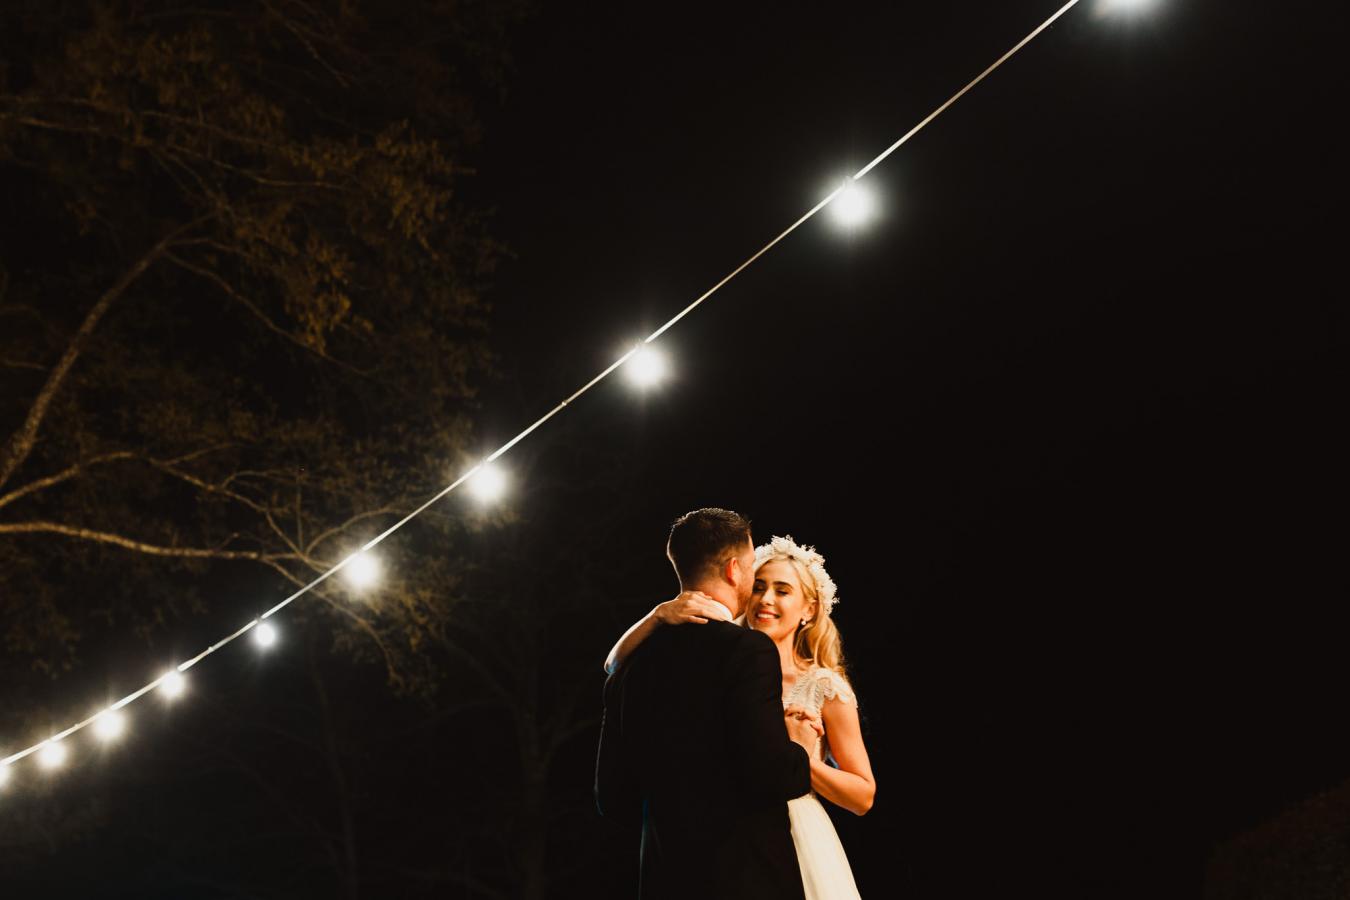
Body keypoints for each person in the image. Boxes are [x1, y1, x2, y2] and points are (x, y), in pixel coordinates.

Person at [605, 533, 875, 899]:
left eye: (783, 591)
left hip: (798, 836)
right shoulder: (722, 658)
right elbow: (613, 665)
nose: (766, 599)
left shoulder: (823, 685)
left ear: (808, 610)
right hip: (726, 843)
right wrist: (657, 616)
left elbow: (863, 794)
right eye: (760, 586)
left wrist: (798, 758)